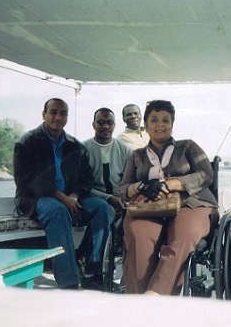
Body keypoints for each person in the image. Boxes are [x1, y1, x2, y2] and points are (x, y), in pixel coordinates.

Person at [118, 100, 217, 295]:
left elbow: (206, 174)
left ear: (172, 124)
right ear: (145, 125)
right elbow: (122, 188)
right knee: (139, 235)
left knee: (185, 233)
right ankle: (138, 299)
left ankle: (155, 294)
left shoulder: (187, 147)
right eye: (154, 119)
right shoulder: (137, 155)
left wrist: (170, 184)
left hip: (192, 203)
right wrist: (142, 186)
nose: (160, 124)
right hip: (150, 207)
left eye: (166, 120)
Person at [13, 98, 112, 290]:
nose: (58, 117)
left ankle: (92, 270)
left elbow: (85, 179)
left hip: (70, 197)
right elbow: (26, 180)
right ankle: (69, 282)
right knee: (58, 211)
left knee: (103, 208)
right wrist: (61, 197)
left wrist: (73, 196)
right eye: (53, 112)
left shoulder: (75, 146)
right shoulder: (27, 142)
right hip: (35, 198)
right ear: (44, 114)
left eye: (63, 113)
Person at [79, 107, 132, 286]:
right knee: (104, 209)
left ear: (115, 125)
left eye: (109, 122)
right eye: (101, 122)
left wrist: (121, 197)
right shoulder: (83, 149)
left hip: (121, 199)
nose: (105, 126)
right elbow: (82, 186)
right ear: (93, 124)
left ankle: (131, 276)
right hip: (92, 198)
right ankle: (94, 270)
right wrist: (109, 198)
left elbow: (130, 180)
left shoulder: (125, 150)